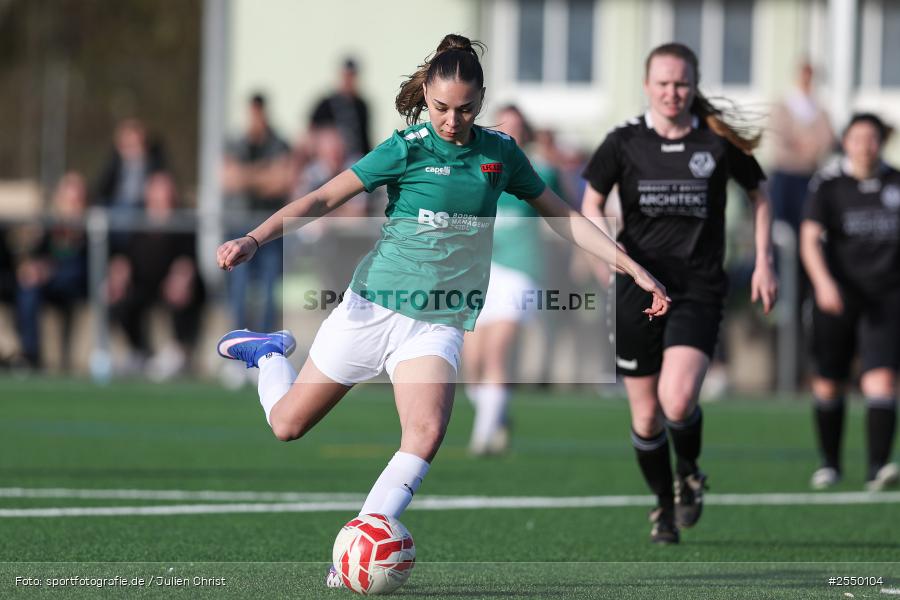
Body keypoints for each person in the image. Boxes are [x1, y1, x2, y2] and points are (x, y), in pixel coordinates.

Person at [214, 34, 670, 587]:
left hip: (438, 321)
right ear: (425, 96)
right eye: (441, 108)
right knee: (287, 425)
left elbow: (564, 217)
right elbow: (320, 198)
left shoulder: (499, 154)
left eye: (465, 109)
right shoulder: (405, 148)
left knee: (425, 433)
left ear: (480, 101)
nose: (452, 121)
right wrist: (255, 240)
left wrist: (631, 265)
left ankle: (357, 550)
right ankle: (268, 356)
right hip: (372, 307)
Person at [581, 42, 778, 544]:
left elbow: (759, 195)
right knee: (645, 416)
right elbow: (590, 207)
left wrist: (765, 262)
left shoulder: (715, 141)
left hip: (697, 287)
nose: (673, 92)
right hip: (638, 290)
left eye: (682, 83)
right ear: (647, 85)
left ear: (694, 85)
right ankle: (663, 505)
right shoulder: (623, 141)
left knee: (677, 398)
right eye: (664, 83)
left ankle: (689, 469)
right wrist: (604, 264)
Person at [800, 113, 900, 492]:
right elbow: (809, 238)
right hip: (838, 296)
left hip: (887, 297)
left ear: (881, 142)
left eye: (872, 139)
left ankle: (878, 468)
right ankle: (830, 463)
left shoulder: (895, 182)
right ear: (846, 141)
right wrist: (824, 284)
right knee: (829, 383)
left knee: (882, 380)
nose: (864, 146)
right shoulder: (829, 184)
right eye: (857, 138)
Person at [462, 104, 564, 455]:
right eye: (505, 126)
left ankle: (482, 440)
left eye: (518, 127)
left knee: (495, 354)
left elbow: (565, 210)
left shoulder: (542, 172)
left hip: (520, 272)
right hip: (482, 274)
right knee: (471, 363)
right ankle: (497, 414)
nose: (511, 133)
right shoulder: (480, 169)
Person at [107, 172, 206, 380]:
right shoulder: (137, 222)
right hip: (143, 283)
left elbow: (189, 259)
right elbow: (123, 255)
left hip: (174, 282)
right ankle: (139, 350)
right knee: (120, 297)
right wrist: (119, 271)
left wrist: (182, 275)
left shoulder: (184, 222)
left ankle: (179, 350)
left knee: (182, 293)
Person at [222, 93, 293, 335]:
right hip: (238, 226)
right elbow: (229, 180)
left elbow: (282, 181)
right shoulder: (235, 142)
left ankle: (264, 342)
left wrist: (247, 175)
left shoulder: (279, 143)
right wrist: (264, 173)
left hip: (269, 229)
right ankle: (239, 345)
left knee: (269, 288)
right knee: (238, 289)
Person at [15, 172, 89, 370]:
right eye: (68, 200)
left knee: (69, 273)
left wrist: (50, 270)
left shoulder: (90, 228)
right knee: (28, 289)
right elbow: (31, 255)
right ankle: (30, 355)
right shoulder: (48, 226)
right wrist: (32, 267)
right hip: (49, 284)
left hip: (79, 285)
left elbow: (84, 267)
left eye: (78, 200)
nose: (73, 206)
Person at [310, 58, 372, 160]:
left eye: (351, 76)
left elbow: (365, 138)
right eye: (346, 76)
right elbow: (312, 132)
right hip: (328, 160)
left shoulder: (361, 105)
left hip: (354, 158)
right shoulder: (326, 104)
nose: (348, 80)